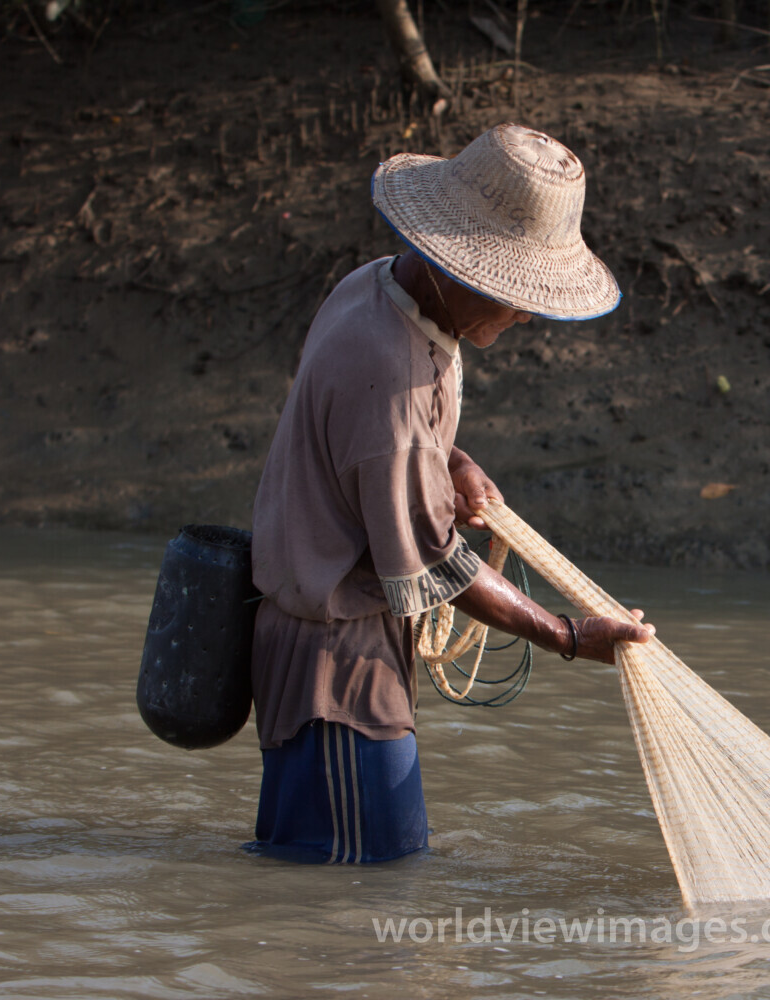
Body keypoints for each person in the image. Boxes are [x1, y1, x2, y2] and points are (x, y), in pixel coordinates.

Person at [246, 123, 654, 865]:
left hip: (338, 648)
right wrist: (566, 635)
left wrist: (451, 460)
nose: (525, 314)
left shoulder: (372, 286)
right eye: (514, 294)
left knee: (346, 873)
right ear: (456, 270)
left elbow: (370, 436)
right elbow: (430, 564)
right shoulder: (394, 372)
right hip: (334, 663)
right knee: (360, 889)